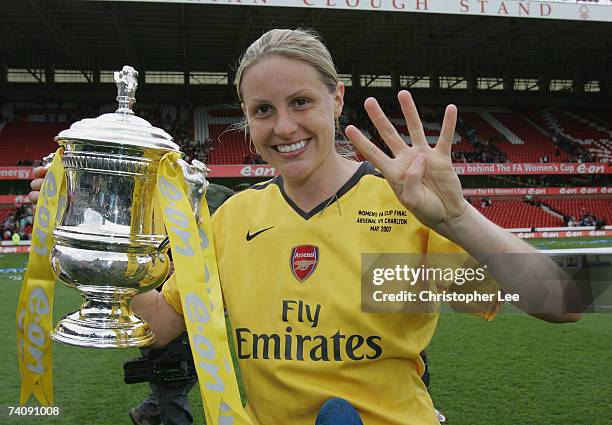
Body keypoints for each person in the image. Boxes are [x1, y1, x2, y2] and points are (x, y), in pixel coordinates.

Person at [31, 28, 581, 425]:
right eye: (262, 110)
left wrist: (459, 219)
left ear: (336, 99)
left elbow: (562, 301)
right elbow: (165, 324)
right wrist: (87, 228)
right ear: (245, 118)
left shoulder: (403, 210)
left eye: (301, 102)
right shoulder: (235, 219)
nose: (284, 126)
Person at [128, 183, 235, 425]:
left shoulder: (203, 243)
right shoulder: (159, 238)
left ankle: (147, 412)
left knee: (180, 378)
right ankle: (150, 411)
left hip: (188, 320)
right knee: (173, 383)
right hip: (169, 320)